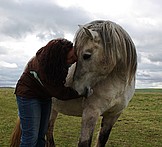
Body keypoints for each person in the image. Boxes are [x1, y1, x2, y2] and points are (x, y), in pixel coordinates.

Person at [14, 38, 86, 147]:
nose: (75, 59)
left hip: (44, 97)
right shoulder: (44, 69)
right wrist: (80, 92)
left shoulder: (55, 63)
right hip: (28, 96)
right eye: (71, 57)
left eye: (75, 54)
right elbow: (60, 92)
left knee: (41, 136)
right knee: (30, 138)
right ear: (59, 58)